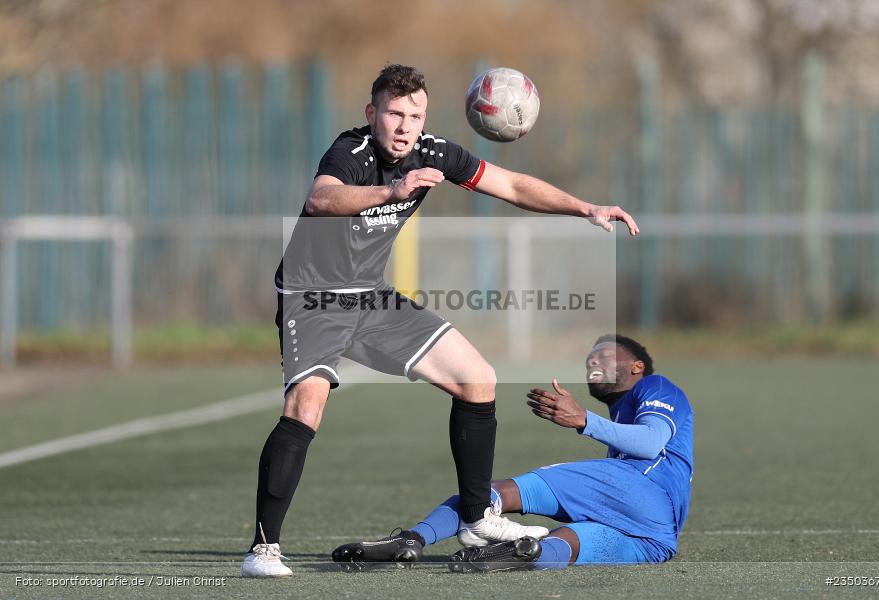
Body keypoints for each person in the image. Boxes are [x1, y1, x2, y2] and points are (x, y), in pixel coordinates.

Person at [241, 64, 640, 577]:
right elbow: (322, 198)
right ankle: (263, 549)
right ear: (372, 114)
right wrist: (392, 192)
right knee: (306, 406)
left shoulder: (433, 153)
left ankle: (476, 519)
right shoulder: (351, 151)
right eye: (394, 113)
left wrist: (583, 207)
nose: (405, 126)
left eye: (415, 115)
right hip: (311, 296)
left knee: (478, 379)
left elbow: (512, 185)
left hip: (370, 297)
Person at [332, 334, 694, 572]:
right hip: (658, 539)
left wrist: (583, 419)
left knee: (495, 492)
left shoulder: (654, 386)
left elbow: (650, 443)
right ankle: (518, 553)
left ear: (637, 366)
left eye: (603, 355)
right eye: (588, 361)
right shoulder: (623, 412)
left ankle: (416, 537)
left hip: (645, 490)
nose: (592, 363)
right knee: (563, 543)